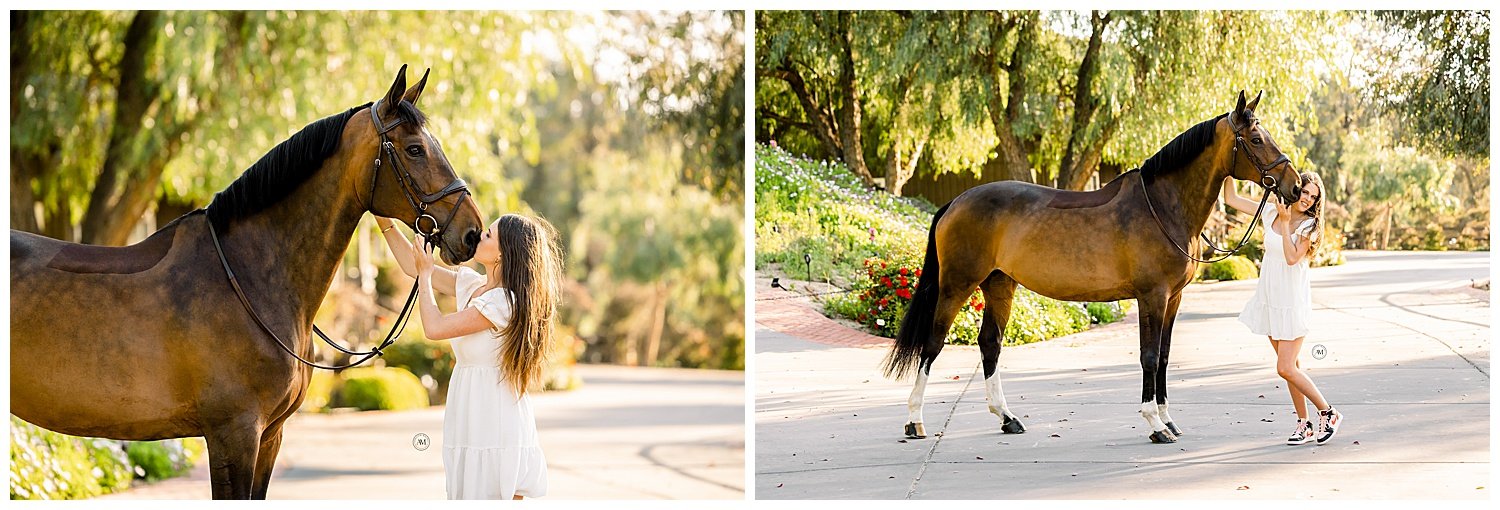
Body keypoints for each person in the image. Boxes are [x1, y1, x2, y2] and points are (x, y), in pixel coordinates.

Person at [376, 213, 562, 499]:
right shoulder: (474, 285)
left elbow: (435, 328)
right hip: (469, 411)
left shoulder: (504, 301)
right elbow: (409, 265)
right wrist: (383, 220)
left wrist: (426, 276)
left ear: (502, 253)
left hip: (495, 419)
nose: (479, 235)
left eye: (488, 235)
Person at [1222, 172, 1343, 446]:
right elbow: (1231, 199)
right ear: (1296, 189)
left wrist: (1287, 224)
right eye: (1305, 193)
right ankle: (1304, 424)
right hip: (1270, 299)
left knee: (1285, 367)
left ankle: (1329, 412)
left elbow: (1291, 258)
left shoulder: (1309, 226)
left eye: (1314, 197)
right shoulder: (1271, 212)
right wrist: (1227, 171)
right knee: (1292, 368)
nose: (1308, 199)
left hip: (1292, 303)